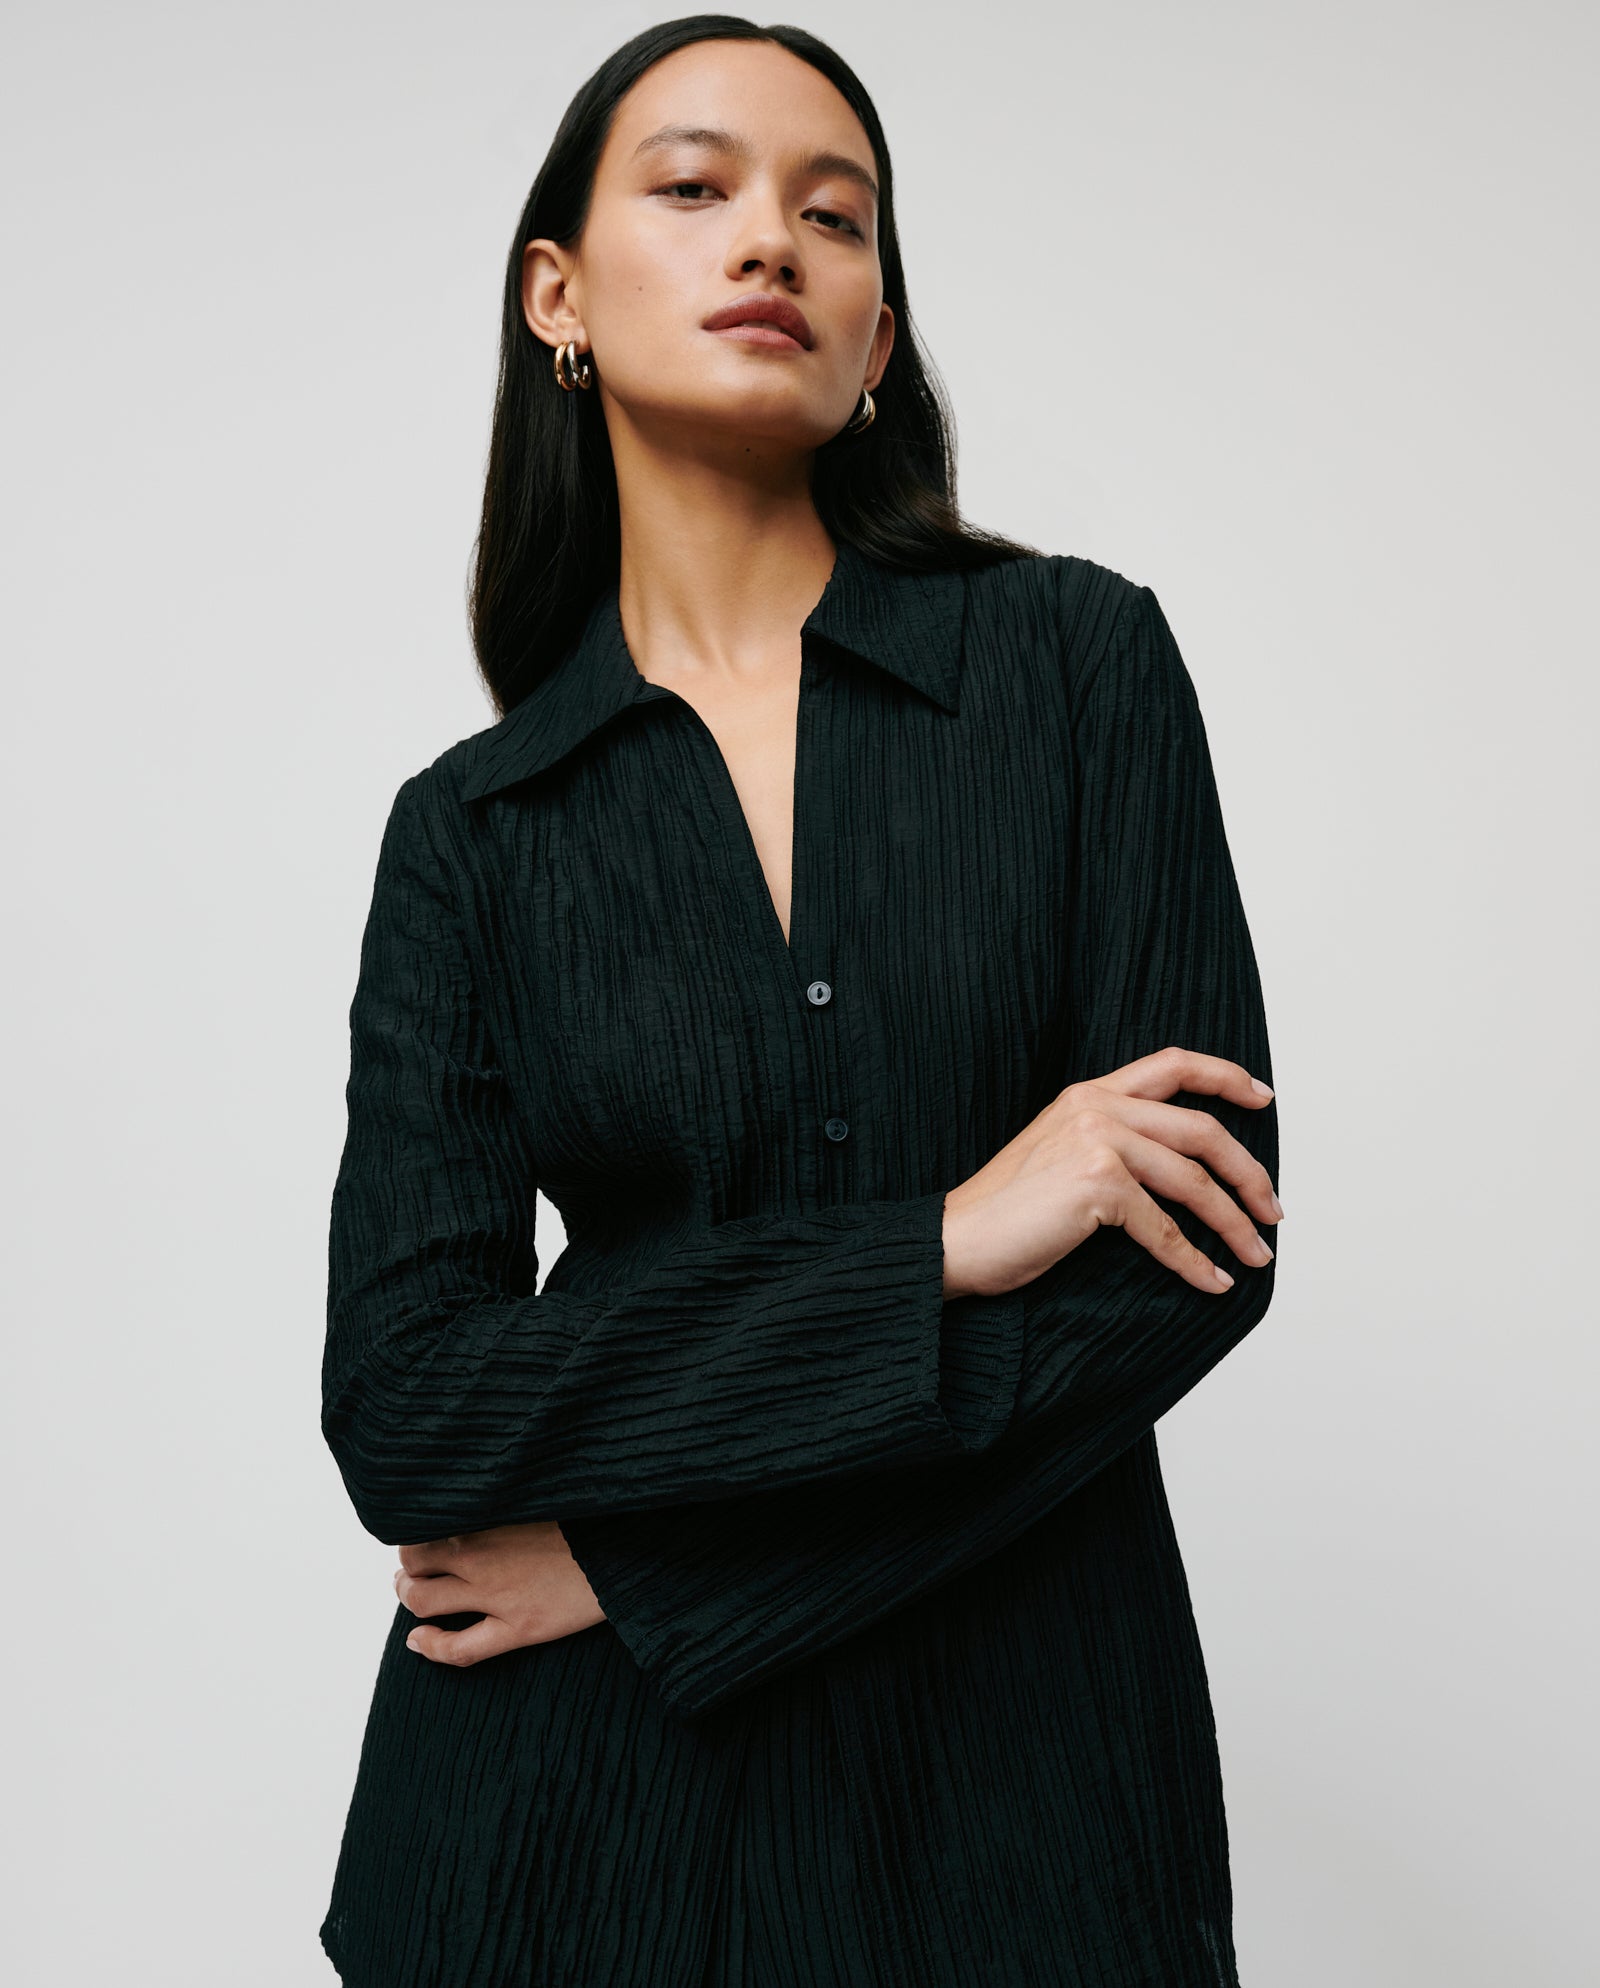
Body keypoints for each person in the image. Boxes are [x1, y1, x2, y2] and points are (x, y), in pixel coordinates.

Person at [316, 17, 1283, 1988]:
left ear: (876, 339)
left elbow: (1189, 1265)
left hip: (1020, 1820)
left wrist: (654, 1568)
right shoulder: (471, 832)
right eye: (696, 188)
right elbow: (410, 1404)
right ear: (557, 297)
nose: (771, 239)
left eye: (834, 219)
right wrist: (937, 1245)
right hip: (560, 1844)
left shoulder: (1075, 668)